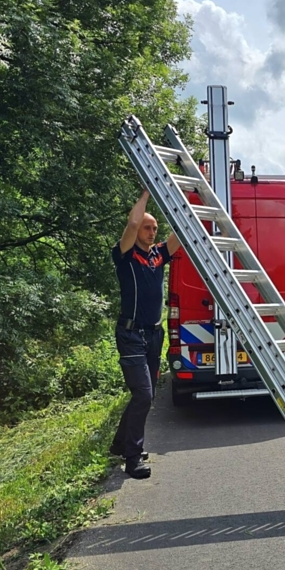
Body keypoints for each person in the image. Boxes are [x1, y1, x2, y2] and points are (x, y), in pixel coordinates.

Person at [109, 189, 181, 479]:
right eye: (148, 228)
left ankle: (120, 444)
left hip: (154, 335)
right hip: (131, 335)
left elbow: (180, 233)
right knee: (142, 395)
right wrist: (147, 193)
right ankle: (132, 457)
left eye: (155, 229)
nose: (152, 232)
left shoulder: (157, 256)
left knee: (145, 396)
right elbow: (132, 225)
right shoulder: (125, 255)